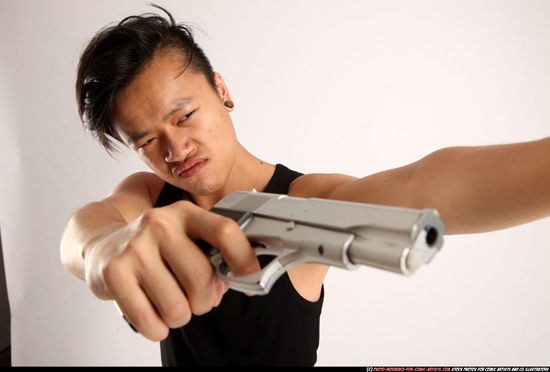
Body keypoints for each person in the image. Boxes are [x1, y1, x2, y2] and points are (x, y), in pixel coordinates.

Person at [60, 5, 550, 367]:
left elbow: (423, 186)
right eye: (147, 140)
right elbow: (82, 232)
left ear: (222, 91)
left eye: (185, 115)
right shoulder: (148, 196)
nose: (175, 149)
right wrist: (104, 248)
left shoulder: (301, 201)